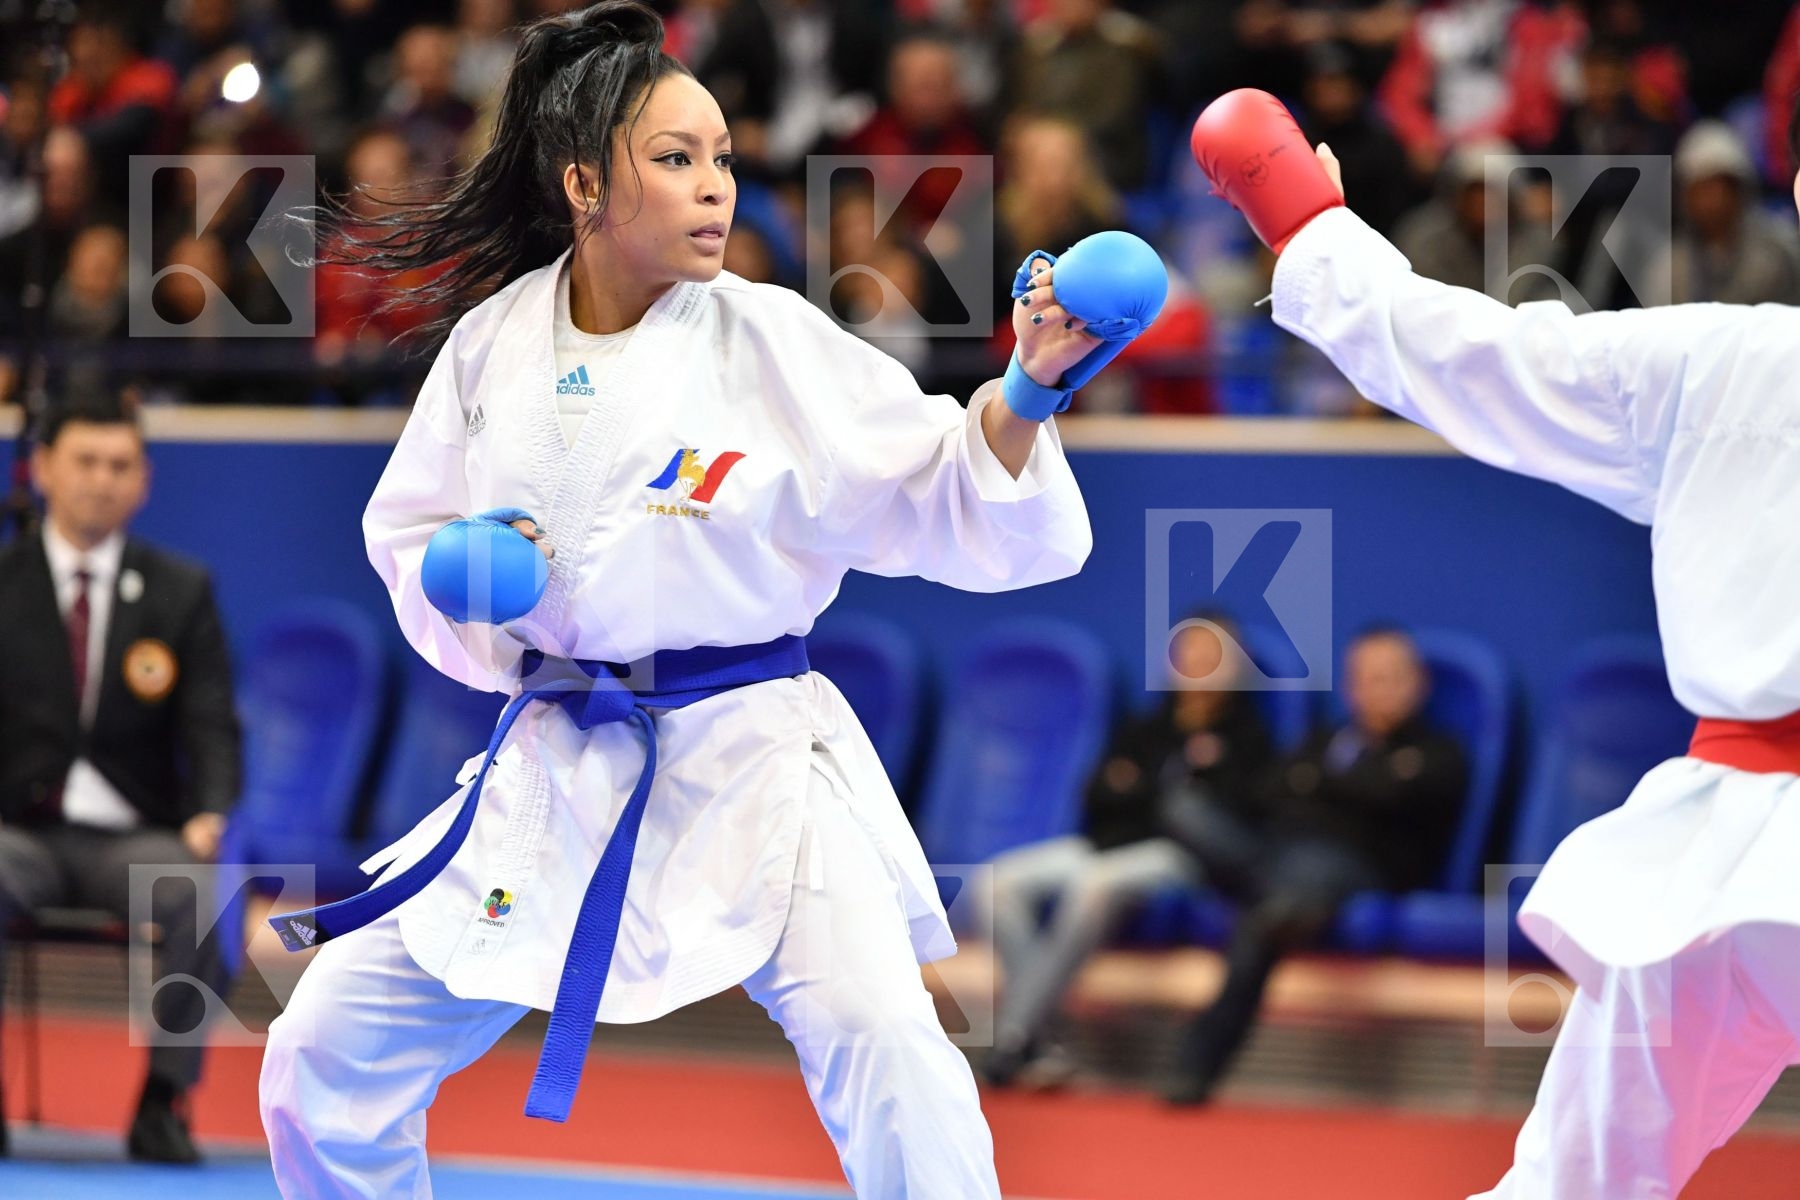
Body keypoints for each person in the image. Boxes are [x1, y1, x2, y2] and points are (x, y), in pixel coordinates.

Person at [255, 4, 1119, 1197]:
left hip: (752, 755)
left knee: (885, 1042)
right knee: (320, 1050)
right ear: (581, 183)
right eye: (675, 160)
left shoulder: (769, 340)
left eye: (719, 157)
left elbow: (937, 482)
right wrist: (465, 578)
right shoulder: (492, 345)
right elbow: (410, 542)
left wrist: (1026, 388)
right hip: (558, 760)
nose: (716, 186)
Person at [1193, 86, 1800, 1198]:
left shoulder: (1726, 367)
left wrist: (1312, 229)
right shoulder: (1728, 366)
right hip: (1733, 835)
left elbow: (1478, 358)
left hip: (1725, 872)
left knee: (1571, 1184)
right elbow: (1487, 356)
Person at [0, 396, 242, 1163]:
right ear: (41, 471)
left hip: (133, 835)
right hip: (14, 833)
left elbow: (211, 720)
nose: (101, 481)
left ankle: (163, 1102)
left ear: (143, 482)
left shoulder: (180, 589)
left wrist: (211, 810)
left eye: (120, 465)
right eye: (85, 462)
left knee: (202, 896)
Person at [1160, 626, 1466, 1104]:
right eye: (1369, 677)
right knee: (1187, 811)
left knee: (1272, 911)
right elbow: (1270, 791)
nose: (1380, 688)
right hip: (1277, 854)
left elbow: (1389, 799)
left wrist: (1321, 787)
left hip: (1355, 867)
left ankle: (1196, 1063)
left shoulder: (1439, 754)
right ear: (1351, 686)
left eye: (1392, 677)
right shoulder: (1325, 740)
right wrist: (1341, 788)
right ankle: (1277, 898)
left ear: (1418, 683)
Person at [978, 615, 1273, 1088]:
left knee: (1094, 886)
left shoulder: (1248, 738)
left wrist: (1141, 790)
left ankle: (1013, 1038)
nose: (1199, 662)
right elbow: (1096, 793)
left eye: (1213, 652)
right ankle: (1039, 1039)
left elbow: (1229, 820)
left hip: (1176, 858)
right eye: (1190, 650)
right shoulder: (1144, 727)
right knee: (996, 882)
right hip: (1107, 842)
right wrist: (1161, 791)